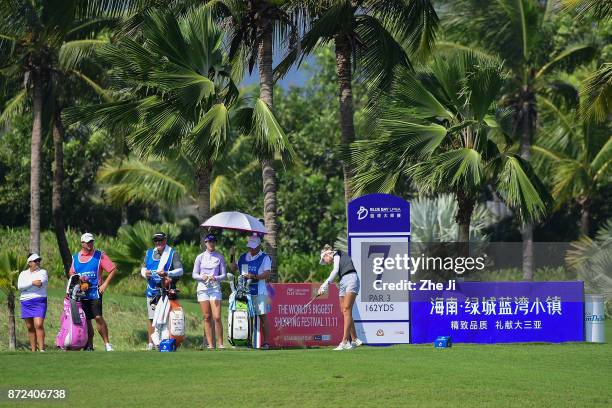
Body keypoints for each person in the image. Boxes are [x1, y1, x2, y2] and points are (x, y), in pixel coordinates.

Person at [69, 233, 116, 351]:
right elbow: (71, 273)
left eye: (91, 242)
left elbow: (113, 269)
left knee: (98, 317)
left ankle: (107, 344)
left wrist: (104, 284)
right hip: (81, 293)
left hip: (95, 292)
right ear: (82, 243)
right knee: (86, 320)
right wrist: (79, 278)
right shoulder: (75, 258)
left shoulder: (100, 255)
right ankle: (89, 345)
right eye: (88, 242)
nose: (90, 244)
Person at [140, 232, 184, 351]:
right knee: (152, 318)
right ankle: (151, 343)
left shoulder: (172, 253)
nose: (158, 243)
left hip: (167, 291)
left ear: (165, 241)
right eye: (156, 241)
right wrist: (145, 273)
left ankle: (167, 342)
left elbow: (180, 270)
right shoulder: (149, 253)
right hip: (152, 290)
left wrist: (167, 273)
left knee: (167, 318)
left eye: (160, 240)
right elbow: (143, 269)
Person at [318, 244, 363, 350]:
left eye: (324, 259)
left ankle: (345, 342)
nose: (325, 262)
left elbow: (335, 270)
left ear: (327, 254)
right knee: (344, 311)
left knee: (347, 310)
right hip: (343, 281)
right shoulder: (336, 257)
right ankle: (355, 339)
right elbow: (337, 272)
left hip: (351, 278)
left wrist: (324, 285)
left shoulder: (337, 253)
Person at [231, 235, 271, 349]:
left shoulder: (265, 258)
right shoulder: (243, 256)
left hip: (259, 291)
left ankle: (266, 343)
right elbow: (234, 268)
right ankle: (248, 341)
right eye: (250, 247)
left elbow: (267, 274)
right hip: (245, 292)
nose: (251, 249)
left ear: (259, 246)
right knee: (248, 317)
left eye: (253, 247)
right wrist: (232, 256)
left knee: (263, 316)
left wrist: (254, 276)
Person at [193, 234, 226, 349]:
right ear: (205, 243)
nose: (211, 243)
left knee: (217, 317)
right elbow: (194, 274)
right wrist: (202, 277)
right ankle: (211, 345)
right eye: (209, 241)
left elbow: (224, 275)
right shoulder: (200, 257)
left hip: (215, 288)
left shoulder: (220, 257)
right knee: (207, 317)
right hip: (203, 289)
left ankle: (221, 344)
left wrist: (215, 277)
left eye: (213, 241)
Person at [17, 253, 48, 352]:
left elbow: (39, 283)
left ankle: (42, 349)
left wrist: (28, 284)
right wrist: (31, 283)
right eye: (35, 261)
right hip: (25, 301)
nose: (38, 263)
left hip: (39, 300)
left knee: (38, 324)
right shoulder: (23, 274)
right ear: (29, 263)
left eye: (39, 260)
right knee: (30, 327)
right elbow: (20, 287)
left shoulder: (43, 272)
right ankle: (33, 351)